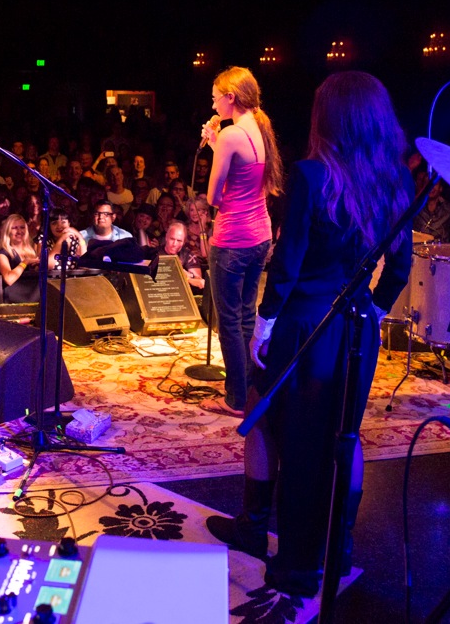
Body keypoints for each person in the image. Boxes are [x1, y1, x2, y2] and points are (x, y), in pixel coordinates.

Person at [207, 71, 412, 598]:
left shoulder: (312, 176)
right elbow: (398, 268)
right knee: (344, 433)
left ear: (331, 118)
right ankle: (337, 549)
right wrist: (371, 312)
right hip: (356, 329)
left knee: (285, 430)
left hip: (303, 324)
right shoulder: (394, 179)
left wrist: (265, 325)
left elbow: (290, 263)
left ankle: (292, 562)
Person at [200, 65, 282, 416]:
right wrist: (217, 142)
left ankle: (234, 398)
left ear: (231, 97)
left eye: (216, 97)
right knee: (246, 315)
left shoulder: (233, 134)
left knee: (228, 320)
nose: (214, 103)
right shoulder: (260, 128)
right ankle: (248, 388)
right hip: (259, 235)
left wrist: (215, 143)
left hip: (232, 238)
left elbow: (213, 196)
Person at [0, 213, 40, 287]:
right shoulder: (3, 254)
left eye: (22, 227)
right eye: (14, 228)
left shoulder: (31, 251)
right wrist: (25, 262)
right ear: (8, 231)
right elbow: (9, 279)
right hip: (13, 297)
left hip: (33, 296)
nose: (19, 231)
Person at [162, 220, 204, 290]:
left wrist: (186, 278)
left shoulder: (188, 255)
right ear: (166, 237)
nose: (174, 244)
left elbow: (200, 283)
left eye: (179, 241)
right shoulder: (154, 253)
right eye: (172, 239)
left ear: (184, 242)